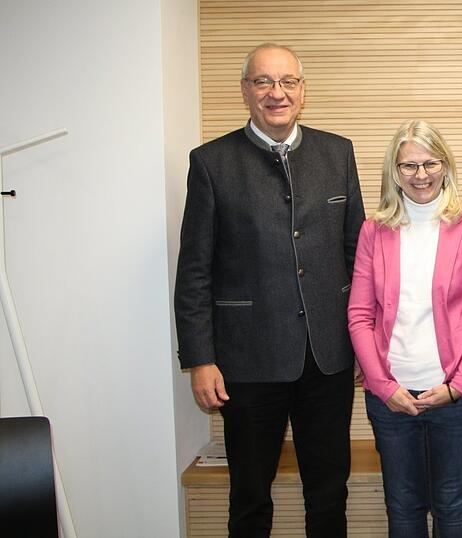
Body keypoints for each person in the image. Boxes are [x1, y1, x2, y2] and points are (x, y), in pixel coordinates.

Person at [174, 43, 365, 538]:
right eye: (263, 82)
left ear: (302, 91)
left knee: (328, 493)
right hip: (247, 361)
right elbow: (195, 269)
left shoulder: (337, 152)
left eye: (287, 82)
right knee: (250, 497)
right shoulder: (211, 163)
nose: (276, 93)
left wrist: (366, 342)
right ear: (245, 91)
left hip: (329, 358)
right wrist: (200, 359)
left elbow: (359, 259)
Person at [348, 120, 462, 537]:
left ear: (445, 166)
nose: (421, 175)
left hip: (456, 400)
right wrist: (383, 386)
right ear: (393, 172)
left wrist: (457, 386)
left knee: (453, 508)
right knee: (403, 509)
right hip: (391, 399)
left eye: (430, 163)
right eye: (408, 166)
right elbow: (359, 315)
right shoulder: (373, 231)